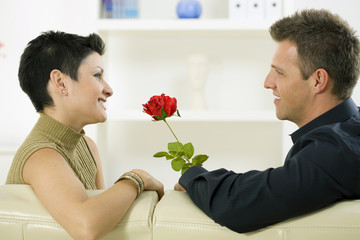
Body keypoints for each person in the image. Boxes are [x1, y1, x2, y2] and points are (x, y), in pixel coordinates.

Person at [174, 9, 360, 233]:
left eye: (279, 72)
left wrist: (191, 176)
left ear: (318, 80)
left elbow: (234, 204)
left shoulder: (332, 152)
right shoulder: (348, 130)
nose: (267, 83)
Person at [6, 31, 164, 240]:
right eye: (97, 75)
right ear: (61, 83)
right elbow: (86, 226)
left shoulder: (88, 146)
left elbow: (107, 227)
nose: (109, 89)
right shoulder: (42, 156)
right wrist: (137, 178)